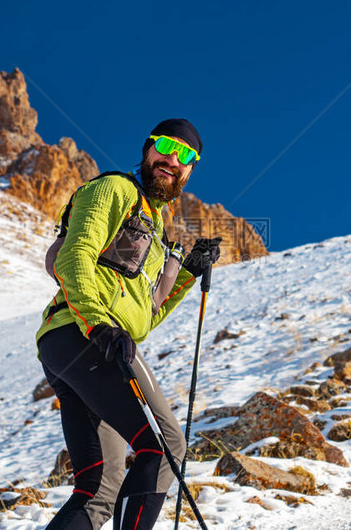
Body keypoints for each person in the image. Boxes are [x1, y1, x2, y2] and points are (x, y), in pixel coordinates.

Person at [36, 118, 222, 530]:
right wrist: (99, 325)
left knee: (99, 491)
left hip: (87, 344)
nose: (173, 159)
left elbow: (143, 314)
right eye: (165, 146)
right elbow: (75, 255)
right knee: (166, 446)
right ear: (147, 148)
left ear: (191, 170)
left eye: (186, 155)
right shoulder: (115, 190)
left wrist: (188, 273)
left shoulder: (156, 230)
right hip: (85, 335)